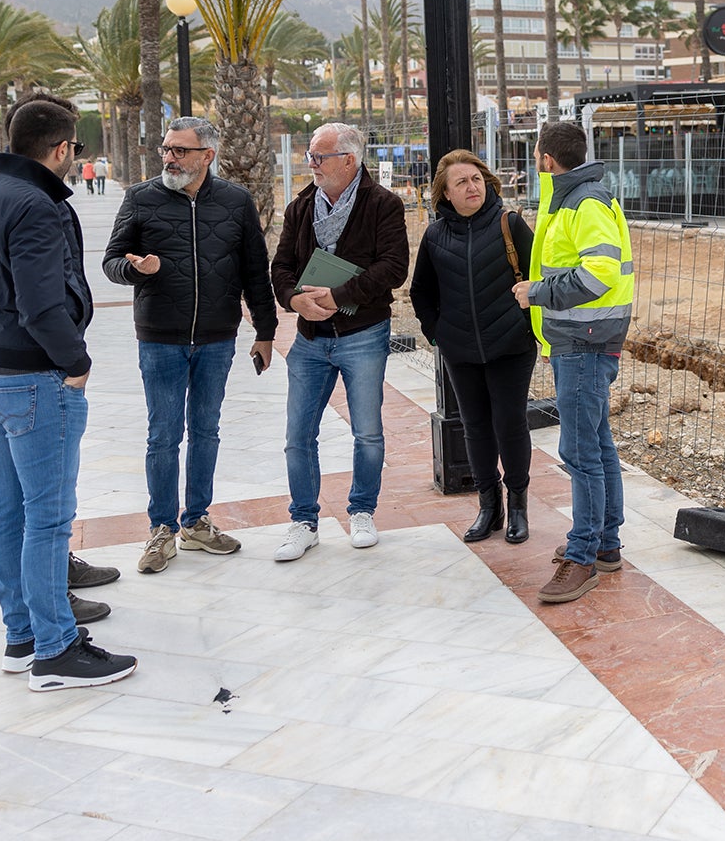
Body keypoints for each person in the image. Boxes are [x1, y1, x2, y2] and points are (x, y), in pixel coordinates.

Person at [0, 92, 138, 691]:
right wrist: (76, 361)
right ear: (61, 149)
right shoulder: (36, 204)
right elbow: (41, 305)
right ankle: (56, 652)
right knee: (48, 520)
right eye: (74, 149)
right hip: (35, 380)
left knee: (9, 510)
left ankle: (22, 638)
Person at [104, 117, 278, 575]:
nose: (169, 158)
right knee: (163, 435)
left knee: (206, 430)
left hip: (218, 338)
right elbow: (111, 262)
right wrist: (135, 269)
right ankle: (161, 528)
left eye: (180, 150)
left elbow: (255, 271)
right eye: (166, 149)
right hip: (160, 338)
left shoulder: (236, 201)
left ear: (207, 156)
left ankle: (196, 522)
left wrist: (265, 332)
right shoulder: (140, 198)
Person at [269, 122, 409, 561]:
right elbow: (281, 266)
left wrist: (339, 296)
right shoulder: (300, 207)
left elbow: (394, 267)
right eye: (310, 156)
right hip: (310, 338)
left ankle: (362, 512)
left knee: (367, 433)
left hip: (362, 334)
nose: (311, 164)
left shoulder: (383, 204)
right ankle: (303, 521)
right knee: (297, 436)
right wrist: (295, 300)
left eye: (319, 156)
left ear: (349, 160)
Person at [514, 120, 634, 604]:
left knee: (580, 452)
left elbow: (600, 273)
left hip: (585, 341)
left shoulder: (584, 202)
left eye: (536, 155)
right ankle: (605, 544)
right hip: (581, 338)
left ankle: (583, 557)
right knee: (597, 446)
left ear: (546, 159)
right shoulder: (571, 197)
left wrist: (538, 292)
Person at [410, 150, 536, 546]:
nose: (472, 187)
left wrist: (527, 327)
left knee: (510, 424)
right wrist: (438, 335)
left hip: (511, 346)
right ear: (445, 193)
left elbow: (539, 279)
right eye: (461, 182)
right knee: (475, 426)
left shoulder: (509, 224)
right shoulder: (435, 236)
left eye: (476, 179)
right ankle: (488, 506)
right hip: (460, 351)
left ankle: (518, 507)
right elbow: (420, 292)